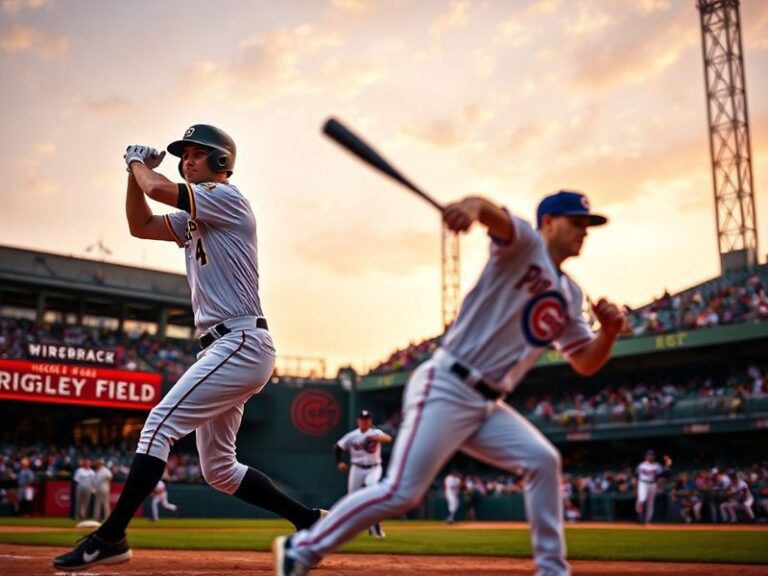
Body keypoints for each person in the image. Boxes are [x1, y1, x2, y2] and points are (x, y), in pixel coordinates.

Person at [274, 190, 625, 576]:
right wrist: (470, 209)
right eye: (575, 222)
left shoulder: (571, 295)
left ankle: (552, 571)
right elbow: (490, 212)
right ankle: (302, 548)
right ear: (548, 223)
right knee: (401, 492)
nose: (583, 232)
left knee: (543, 461)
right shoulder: (525, 245)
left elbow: (585, 362)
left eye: (586, 225)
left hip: (487, 404)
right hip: (447, 383)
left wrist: (607, 333)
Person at [54, 124, 324, 571]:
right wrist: (130, 173)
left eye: (198, 154)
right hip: (228, 345)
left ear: (222, 163)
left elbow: (159, 188)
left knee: (158, 424)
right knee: (219, 471)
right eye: (185, 155)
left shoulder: (227, 198)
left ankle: (111, 536)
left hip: (240, 340)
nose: (187, 160)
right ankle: (307, 519)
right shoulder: (199, 214)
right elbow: (140, 225)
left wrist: (137, 164)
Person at [334, 410, 392, 538]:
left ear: (370, 421)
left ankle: (375, 525)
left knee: (372, 488)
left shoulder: (375, 432)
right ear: (358, 421)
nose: (364, 422)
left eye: (366, 419)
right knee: (352, 498)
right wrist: (340, 462)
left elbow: (388, 438)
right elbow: (338, 447)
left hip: (374, 467)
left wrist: (378, 438)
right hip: (357, 468)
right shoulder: (352, 435)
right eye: (362, 419)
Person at [634, 450, 672, 524]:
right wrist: (635, 489)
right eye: (649, 455)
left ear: (654, 457)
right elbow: (636, 477)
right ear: (645, 456)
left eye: (651, 455)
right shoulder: (641, 465)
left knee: (650, 503)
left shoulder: (657, 466)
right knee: (641, 499)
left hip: (652, 484)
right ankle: (639, 515)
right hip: (643, 483)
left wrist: (668, 465)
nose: (650, 456)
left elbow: (666, 474)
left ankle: (647, 520)